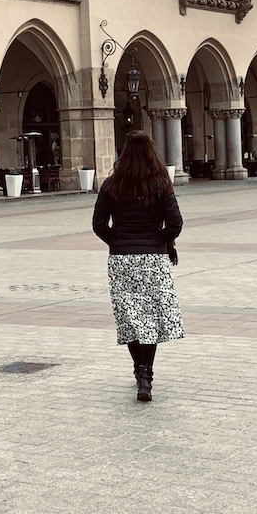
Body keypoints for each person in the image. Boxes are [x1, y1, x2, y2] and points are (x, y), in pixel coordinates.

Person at [92, 131, 183, 403]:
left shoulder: (111, 184)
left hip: (122, 260)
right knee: (150, 319)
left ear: (123, 153)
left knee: (131, 317)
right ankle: (146, 374)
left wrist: (117, 241)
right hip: (153, 259)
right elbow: (176, 223)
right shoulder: (160, 182)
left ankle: (138, 370)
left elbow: (98, 225)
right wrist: (162, 241)